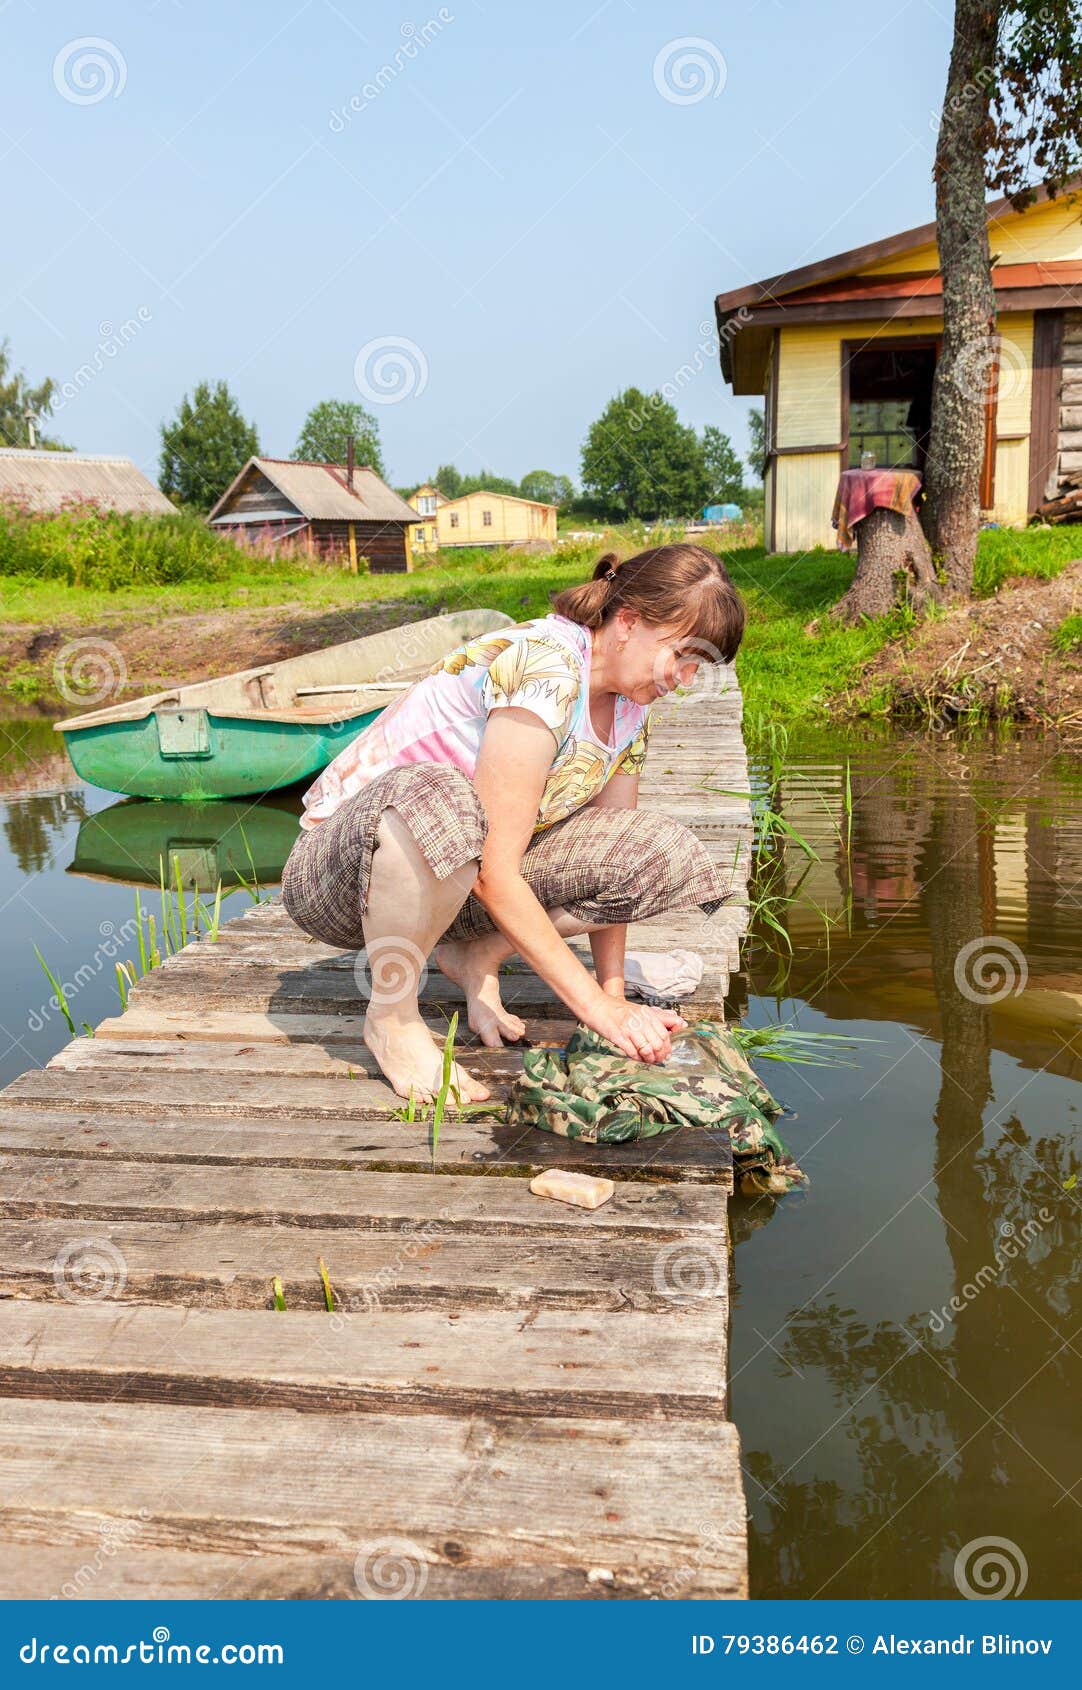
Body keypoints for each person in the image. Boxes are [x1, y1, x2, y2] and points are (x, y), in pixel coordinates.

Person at [281, 542, 745, 1105]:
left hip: (456, 880)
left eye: (698, 668)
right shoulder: (547, 667)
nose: (686, 679)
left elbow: (613, 842)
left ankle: (475, 954)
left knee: (652, 850)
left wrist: (614, 997)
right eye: (681, 657)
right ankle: (393, 1019)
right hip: (342, 876)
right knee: (444, 796)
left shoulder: (630, 710)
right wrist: (593, 1010)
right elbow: (496, 874)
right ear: (628, 623)